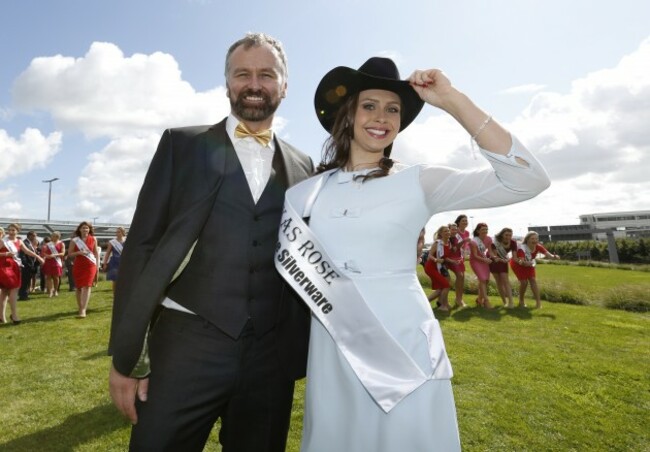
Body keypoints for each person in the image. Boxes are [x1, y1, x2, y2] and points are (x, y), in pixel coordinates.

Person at [275, 56, 550, 451]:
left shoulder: (420, 180)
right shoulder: (305, 193)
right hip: (334, 347)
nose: (381, 117)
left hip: (404, 350)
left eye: (393, 109)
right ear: (347, 114)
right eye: (369, 105)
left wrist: (452, 100)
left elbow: (529, 179)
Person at [108, 33, 313, 452]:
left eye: (266, 74)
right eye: (243, 74)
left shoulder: (304, 165)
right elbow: (142, 249)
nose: (254, 83)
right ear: (227, 84)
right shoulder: (181, 145)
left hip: (269, 357)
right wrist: (126, 358)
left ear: (284, 86)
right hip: (186, 346)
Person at [0, 224, 44, 324]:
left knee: (4, 291)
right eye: (9, 230)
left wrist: (38, 257)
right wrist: (6, 254)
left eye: (13, 230)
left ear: (17, 231)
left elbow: (27, 251)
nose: (11, 232)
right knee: (13, 289)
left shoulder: (19, 241)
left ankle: (1, 317)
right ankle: (14, 315)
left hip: (14, 267)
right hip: (4, 267)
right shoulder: (3, 241)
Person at [510, 231, 560, 308]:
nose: (535, 240)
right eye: (532, 238)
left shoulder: (538, 246)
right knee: (524, 282)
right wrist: (524, 263)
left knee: (533, 280)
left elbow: (549, 255)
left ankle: (538, 303)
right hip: (517, 264)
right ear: (527, 240)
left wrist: (554, 257)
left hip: (529, 263)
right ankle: (521, 301)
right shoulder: (522, 248)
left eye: (536, 238)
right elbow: (521, 261)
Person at [67, 221, 99, 318]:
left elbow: (96, 253)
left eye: (87, 228)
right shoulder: (74, 240)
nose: (85, 229)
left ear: (89, 229)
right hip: (79, 265)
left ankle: (83, 310)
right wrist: (79, 253)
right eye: (83, 228)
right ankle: (80, 307)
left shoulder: (93, 239)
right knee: (79, 287)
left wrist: (97, 265)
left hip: (90, 265)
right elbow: (70, 254)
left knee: (87, 286)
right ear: (79, 229)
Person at [424, 225, 452, 311]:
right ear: (440, 234)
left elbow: (445, 257)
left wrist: (453, 261)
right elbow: (429, 256)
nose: (448, 232)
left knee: (440, 289)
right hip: (431, 268)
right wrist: (436, 260)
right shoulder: (437, 243)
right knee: (446, 285)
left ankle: (424, 304)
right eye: (445, 231)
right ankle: (443, 306)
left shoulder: (448, 243)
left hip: (439, 268)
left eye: (448, 231)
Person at [489, 227, 517, 308]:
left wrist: (511, 259)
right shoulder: (495, 242)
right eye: (506, 235)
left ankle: (511, 303)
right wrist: (504, 259)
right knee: (499, 282)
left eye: (510, 235)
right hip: (494, 261)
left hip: (503, 261)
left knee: (505, 281)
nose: (508, 237)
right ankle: (505, 302)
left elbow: (514, 257)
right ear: (502, 235)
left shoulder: (513, 243)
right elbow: (495, 254)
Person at [469, 222, 495, 308]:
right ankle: (486, 301)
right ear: (477, 231)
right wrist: (485, 259)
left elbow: (490, 251)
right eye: (483, 229)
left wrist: (494, 257)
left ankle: (479, 299)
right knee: (483, 279)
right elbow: (475, 255)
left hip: (484, 261)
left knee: (486, 280)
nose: (485, 231)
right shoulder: (473, 241)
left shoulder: (489, 239)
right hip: (475, 261)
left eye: (486, 229)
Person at [447, 222, 468, 307]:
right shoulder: (447, 238)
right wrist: (464, 241)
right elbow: (454, 249)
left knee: (462, 277)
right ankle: (458, 300)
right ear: (449, 230)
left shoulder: (456, 237)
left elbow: (459, 248)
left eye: (456, 229)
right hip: (451, 259)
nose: (455, 231)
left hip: (458, 258)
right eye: (452, 229)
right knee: (459, 275)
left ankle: (459, 298)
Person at [102, 227, 126, 294]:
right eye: (117, 232)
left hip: (124, 263)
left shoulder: (127, 241)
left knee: (124, 280)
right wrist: (105, 263)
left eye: (119, 232)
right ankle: (115, 295)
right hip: (114, 262)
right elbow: (107, 253)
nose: (117, 233)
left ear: (123, 232)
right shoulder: (112, 242)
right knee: (115, 280)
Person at [42, 231, 66, 298]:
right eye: (51, 235)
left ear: (57, 237)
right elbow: (43, 253)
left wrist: (55, 255)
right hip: (48, 262)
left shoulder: (61, 244)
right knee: (48, 277)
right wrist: (47, 256)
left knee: (56, 277)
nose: (51, 237)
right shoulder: (48, 244)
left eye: (53, 236)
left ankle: (55, 290)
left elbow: (63, 253)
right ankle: (50, 291)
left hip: (57, 262)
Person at [18, 231, 39, 300]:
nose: (35, 237)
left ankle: (25, 294)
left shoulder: (29, 243)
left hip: (30, 265)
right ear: (29, 236)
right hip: (26, 265)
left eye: (35, 236)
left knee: (27, 281)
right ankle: (23, 295)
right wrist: (26, 264)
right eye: (34, 235)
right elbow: (23, 255)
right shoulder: (25, 243)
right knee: (25, 281)